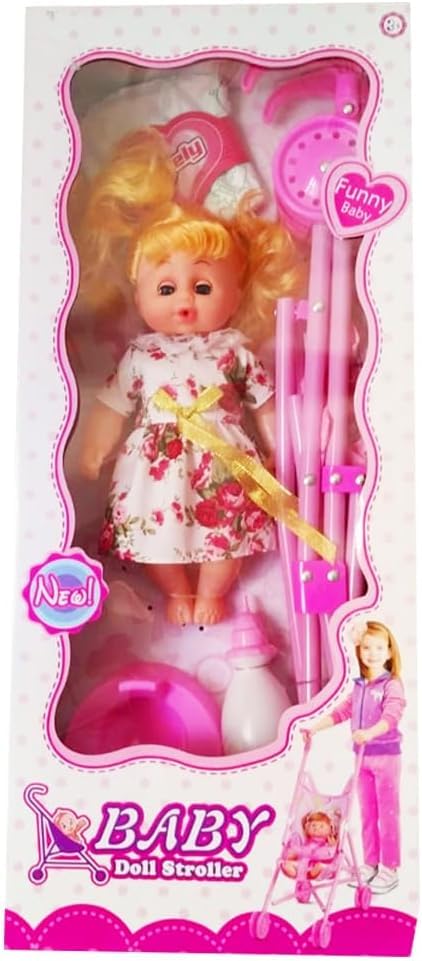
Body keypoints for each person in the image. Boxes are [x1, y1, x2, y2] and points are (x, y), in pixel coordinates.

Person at [77, 127, 305, 626]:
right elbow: (112, 402)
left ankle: (212, 591)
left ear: (235, 293)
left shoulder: (233, 350)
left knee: (227, 533)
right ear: (138, 295)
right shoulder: (140, 354)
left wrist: (279, 448)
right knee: (153, 534)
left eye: (202, 287)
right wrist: (93, 447)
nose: (184, 301)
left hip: (222, 458)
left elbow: (265, 403)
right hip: (154, 465)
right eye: (166, 288)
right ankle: (177, 591)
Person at [304, 620, 405, 894]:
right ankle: (370, 863)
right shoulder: (360, 686)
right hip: (361, 757)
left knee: (388, 814)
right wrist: (314, 728)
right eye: (367, 647)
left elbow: (392, 716)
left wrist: (369, 732)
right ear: (359, 650)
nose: (373, 653)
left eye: (379, 648)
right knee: (367, 813)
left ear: (389, 652)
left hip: (385, 757)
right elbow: (341, 712)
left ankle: (390, 868)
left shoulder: (391, 685)